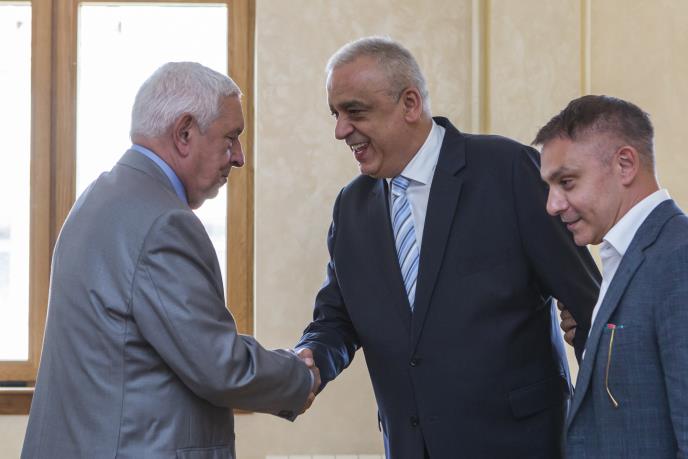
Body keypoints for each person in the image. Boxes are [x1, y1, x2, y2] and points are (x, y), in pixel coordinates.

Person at [295, 36, 600, 458]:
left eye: (355, 112)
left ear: (410, 104)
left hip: (520, 445)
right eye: (336, 114)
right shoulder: (352, 206)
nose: (340, 130)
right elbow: (336, 319)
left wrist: (613, 422)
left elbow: (587, 304)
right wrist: (306, 363)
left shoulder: (508, 170)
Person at [21, 62, 319, 459]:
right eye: (231, 138)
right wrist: (298, 374)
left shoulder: (98, 198)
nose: (239, 157)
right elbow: (219, 366)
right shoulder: (163, 222)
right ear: (184, 133)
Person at [536, 95, 688, 458]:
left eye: (567, 182)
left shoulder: (678, 259)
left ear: (625, 165)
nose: (552, 205)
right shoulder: (628, 255)